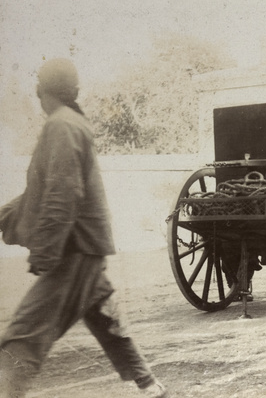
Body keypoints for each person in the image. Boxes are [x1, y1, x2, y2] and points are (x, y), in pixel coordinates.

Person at [0, 59, 167, 398]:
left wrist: (46, 252)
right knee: (107, 324)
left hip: (72, 251)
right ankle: (152, 389)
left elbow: (63, 195)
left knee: (22, 339)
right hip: (87, 249)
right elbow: (42, 192)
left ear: (42, 92)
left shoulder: (61, 126)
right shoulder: (72, 123)